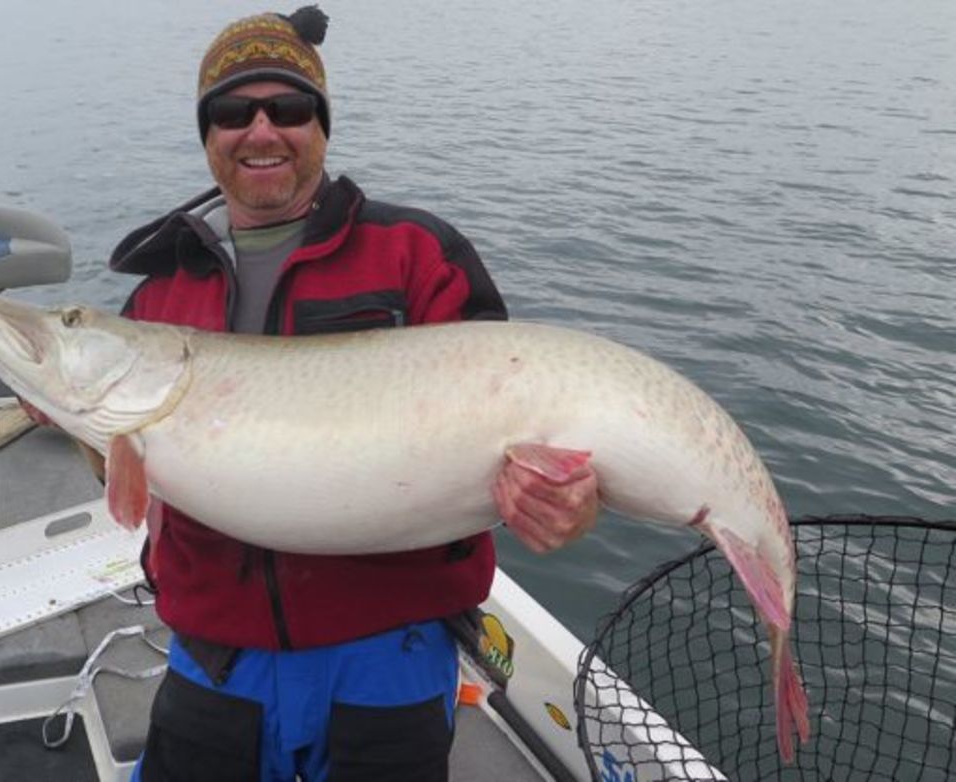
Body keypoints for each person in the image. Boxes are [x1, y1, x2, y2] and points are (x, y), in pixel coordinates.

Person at [38, 6, 599, 781]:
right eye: (233, 112)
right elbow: (135, 472)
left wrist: (561, 499)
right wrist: (73, 418)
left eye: (289, 109)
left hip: (390, 652)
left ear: (322, 125)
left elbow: (524, 424)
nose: (261, 131)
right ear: (208, 135)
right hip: (215, 654)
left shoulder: (418, 257)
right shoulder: (161, 294)